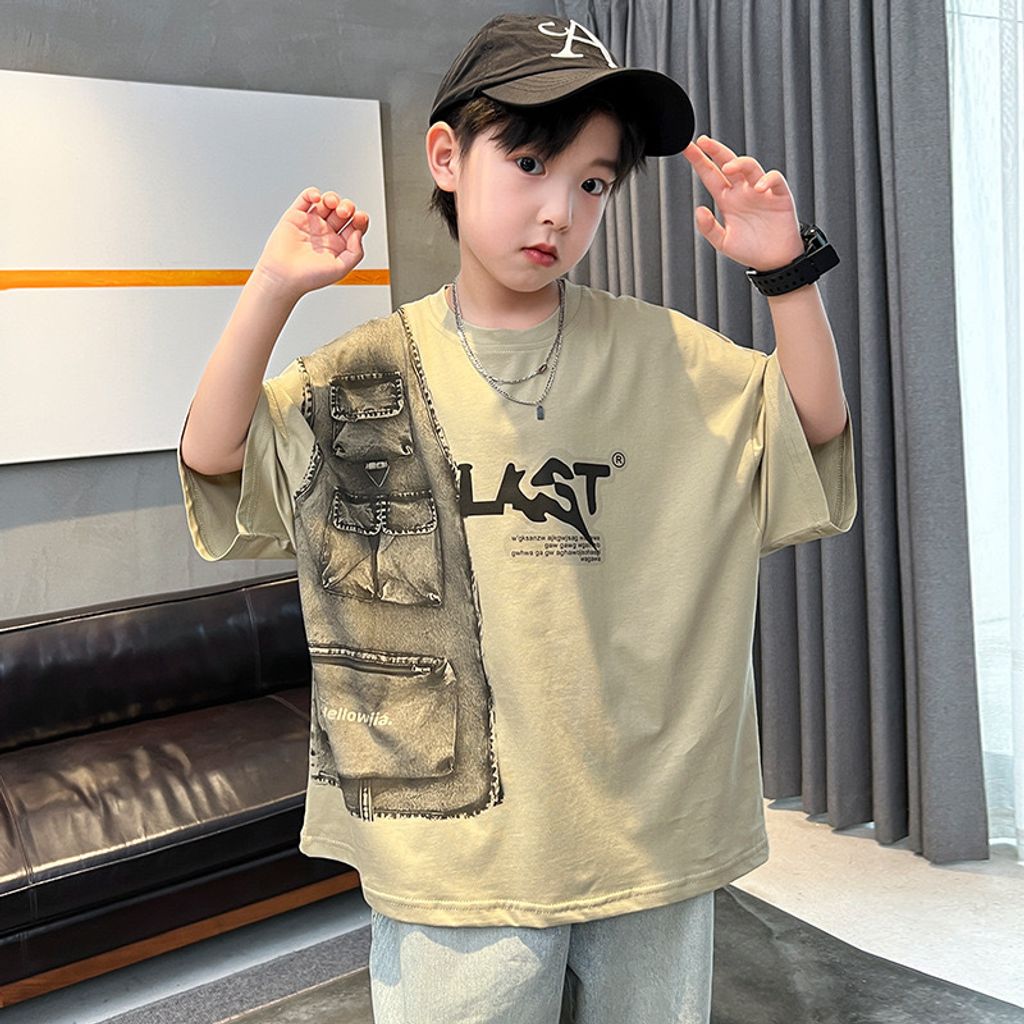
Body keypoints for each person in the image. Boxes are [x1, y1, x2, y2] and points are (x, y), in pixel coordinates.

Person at [176, 12, 856, 1024]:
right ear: (447, 158)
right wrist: (273, 288)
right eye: (530, 163)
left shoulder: (664, 357)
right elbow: (216, 454)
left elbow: (808, 426)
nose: (559, 211)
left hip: (646, 824)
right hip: (452, 846)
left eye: (592, 184)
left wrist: (784, 274)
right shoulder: (369, 373)